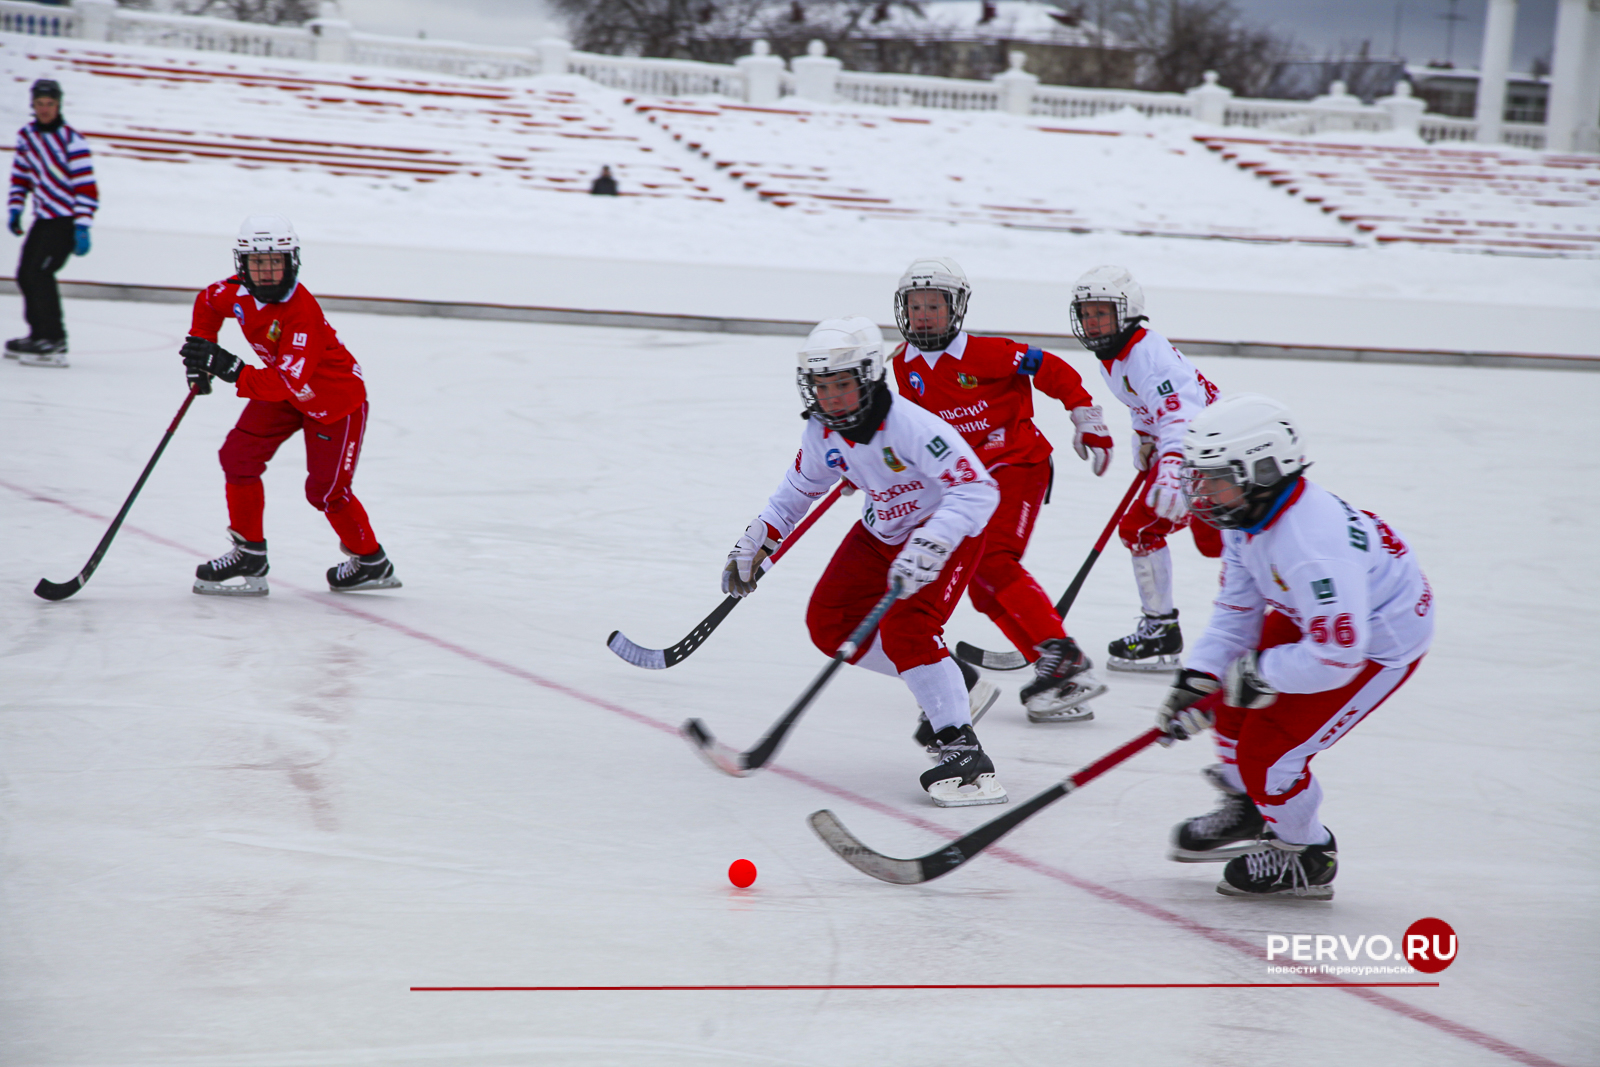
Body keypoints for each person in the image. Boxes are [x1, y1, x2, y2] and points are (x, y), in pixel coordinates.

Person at [1155, 394, 1433, 899]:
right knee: (1236, 713)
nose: (1201, 492)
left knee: (1271, 755)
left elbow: (1337, 657)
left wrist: (1261, 672)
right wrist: (1199, 677)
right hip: (1317, 615)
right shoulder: (1247, 514)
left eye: (1213, 477)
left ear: (1261, 470)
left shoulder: (1312, 548)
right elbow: (1237, 611)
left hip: (1375, 641)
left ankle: (1305, 853)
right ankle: (1250, 806)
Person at [723, 316, 1006, 807]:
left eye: (841, 385)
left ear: (870, 377)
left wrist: (933, 543)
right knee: (829, 623)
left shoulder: (912, 427)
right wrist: (756, 542)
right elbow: (795, 494)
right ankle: (949, 679)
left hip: (948, 531)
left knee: (908, 629)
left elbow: (978, 489)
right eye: (821, 386)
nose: (830, 397)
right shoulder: (821, 432)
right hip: (882, 532)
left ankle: (965, 754)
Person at [890, 256, 1114, 723]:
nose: (924, 314)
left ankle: (1061, 652)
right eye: (916, 305)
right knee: (982, 589)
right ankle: (1056, 675)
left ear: (956, 308)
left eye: (935, 304)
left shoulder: (987, 353)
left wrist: (1084, 413)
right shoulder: (903, 367)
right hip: (966, 482)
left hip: (1019, 463)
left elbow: (1047, 366)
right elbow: (906, 430)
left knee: (994, 560)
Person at [180, 215, 400, 596]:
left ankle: (371, 562)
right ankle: (249, 553)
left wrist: (230, 367)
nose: (266, 272)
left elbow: (286, 380)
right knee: (238, 458)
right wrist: (200, 357)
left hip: (333, 403)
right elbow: (207, 302)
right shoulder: (234, 292)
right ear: (242, 265)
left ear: (291, 262)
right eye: (257, 263)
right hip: (284, 394)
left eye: (275, 262)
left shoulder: (301, 313)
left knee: (326, 493)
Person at [1070, 264, 1222, 672]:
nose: (1092, 321)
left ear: (1127, 311)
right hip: (1196, 448)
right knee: (1221, 541)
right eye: (1086, 313)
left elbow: (1180, 414)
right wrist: (1145, 437)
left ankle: (1161, 631)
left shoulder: (1146, 354)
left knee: (1144, 528)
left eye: (1101, 312)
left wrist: (1172, 463)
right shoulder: (1115, 354)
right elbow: (1146, 404)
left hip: (1208, 451)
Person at [6, 78, 96, 369]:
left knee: (40, 274)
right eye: (40, 104)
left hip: (65, 221)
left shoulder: (72, 140)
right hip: (43, 218)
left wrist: (82, 225)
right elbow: (20, 175)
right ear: (33, 105)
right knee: (24, 274)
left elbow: (86, 186)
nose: (45, 109)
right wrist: (16, 208)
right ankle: (38, 335)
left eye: (50, 104)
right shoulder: (27, 137)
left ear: (59, 105)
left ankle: (55, 339)